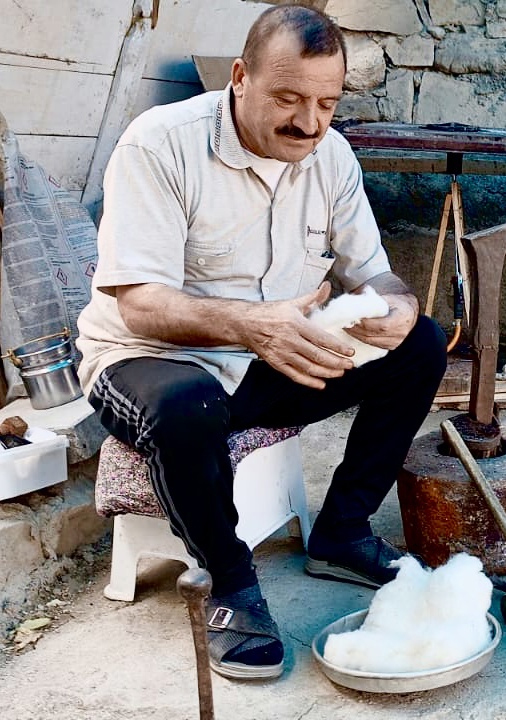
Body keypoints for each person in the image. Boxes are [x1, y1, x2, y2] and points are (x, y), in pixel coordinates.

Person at [75, 5, 446, 680]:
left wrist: (396, 303)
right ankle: (232, 587)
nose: (309, 122)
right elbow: (140, 305)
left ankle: (342, 533)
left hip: (264, 359)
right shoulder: (158, 144)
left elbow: (376, 270)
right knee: (189, 407)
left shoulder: (329, 154)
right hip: (150, 361)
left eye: (326, 103)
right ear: (239, 78)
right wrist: (250, 323)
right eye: (288, 98)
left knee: (419, 344)